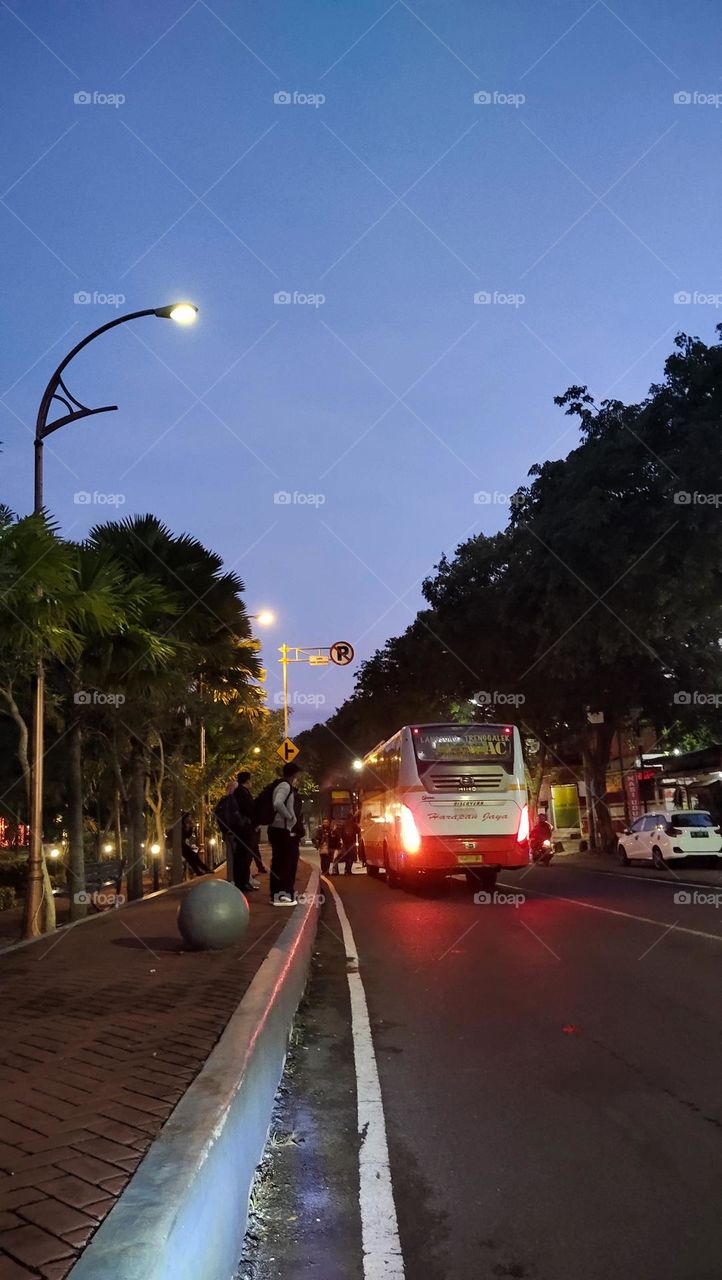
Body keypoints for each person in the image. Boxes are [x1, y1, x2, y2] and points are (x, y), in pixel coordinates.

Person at [268, 762, 304, 905]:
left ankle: (278, 894)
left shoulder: (282, 785)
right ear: (294, 774)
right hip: (282, 830)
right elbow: (277, 803)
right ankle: (283, 895)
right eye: (297, 774)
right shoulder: (285, 786)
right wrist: (290, 817)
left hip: (278, 830)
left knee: (280, 862)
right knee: (287, 862)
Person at [214, 781, 257, 893]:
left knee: (234, 856)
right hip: (234, 832)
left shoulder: (224, 800)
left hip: (229, 832)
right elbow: (234, 817)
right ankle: (238, 881)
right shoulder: (232, 800)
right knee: (239, 857)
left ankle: (235, 879)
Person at [181, 813, 210, 878]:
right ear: (185, 818)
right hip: (180, 846)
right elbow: (184, 836)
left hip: (183, 845)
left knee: (191, 859)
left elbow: (187, 836)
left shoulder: (184, 825)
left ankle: (199, 871)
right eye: (188, 817)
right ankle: (204, 870)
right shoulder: (180, 825)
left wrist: (191, 828)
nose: (190, 818)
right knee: (194, 857)